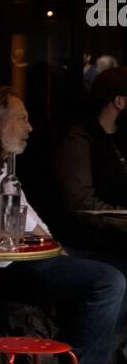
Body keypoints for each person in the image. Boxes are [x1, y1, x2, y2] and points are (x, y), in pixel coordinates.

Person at [0, 88, 127, 364]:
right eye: (22, 118)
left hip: (43, 253)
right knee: (108, 280)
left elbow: (28, 215)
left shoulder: (5, 164)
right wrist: (38, 239)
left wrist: (52, 241)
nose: (30, 127)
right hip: (10, 264)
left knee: (119, 268)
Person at [50, 66, 127, 256]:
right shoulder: (78, 140)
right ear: (119, 101)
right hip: (95, 243)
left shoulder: (121, 136)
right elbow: (82, 204)